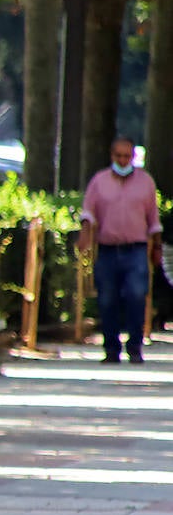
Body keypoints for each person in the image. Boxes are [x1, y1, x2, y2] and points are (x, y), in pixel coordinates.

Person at [76, 137, 162, 364]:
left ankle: (135, 347)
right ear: (112, 156)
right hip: (107, 250)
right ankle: (111, 349)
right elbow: (88, 212)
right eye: (119, 156)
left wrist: (157, 247)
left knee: (136, 296)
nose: (123, 160)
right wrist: (85, 235)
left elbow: (153, 219)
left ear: (133, 157)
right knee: (107, 299)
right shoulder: (99, 181)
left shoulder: (145, 182)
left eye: (127, 156)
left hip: (136, 249)